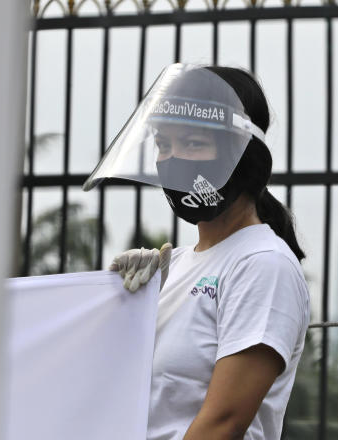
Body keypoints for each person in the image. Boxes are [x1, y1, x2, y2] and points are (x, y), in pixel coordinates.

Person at [84, 64, 310, 439]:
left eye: (192, 143)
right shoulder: (173, 267)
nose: (173, 159)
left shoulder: (262, 265)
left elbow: (223, 425)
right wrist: (120, 308)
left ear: (241, 154)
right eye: (163, 144)